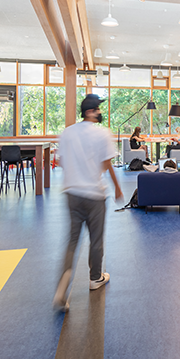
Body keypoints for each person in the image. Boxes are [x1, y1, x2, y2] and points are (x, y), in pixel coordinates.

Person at [53, 94, 124, 312]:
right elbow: (106, 164)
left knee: (72, 240)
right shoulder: (102, 134)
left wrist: (76, 173)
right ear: (90, 112)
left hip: (72, 193)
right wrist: (118, 188)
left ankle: (61, 288)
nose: (100, 112)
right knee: (96, 239)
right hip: (94, 194)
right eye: (98, 109)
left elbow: (59, 161)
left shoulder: (68, 132)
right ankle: (95, 278)